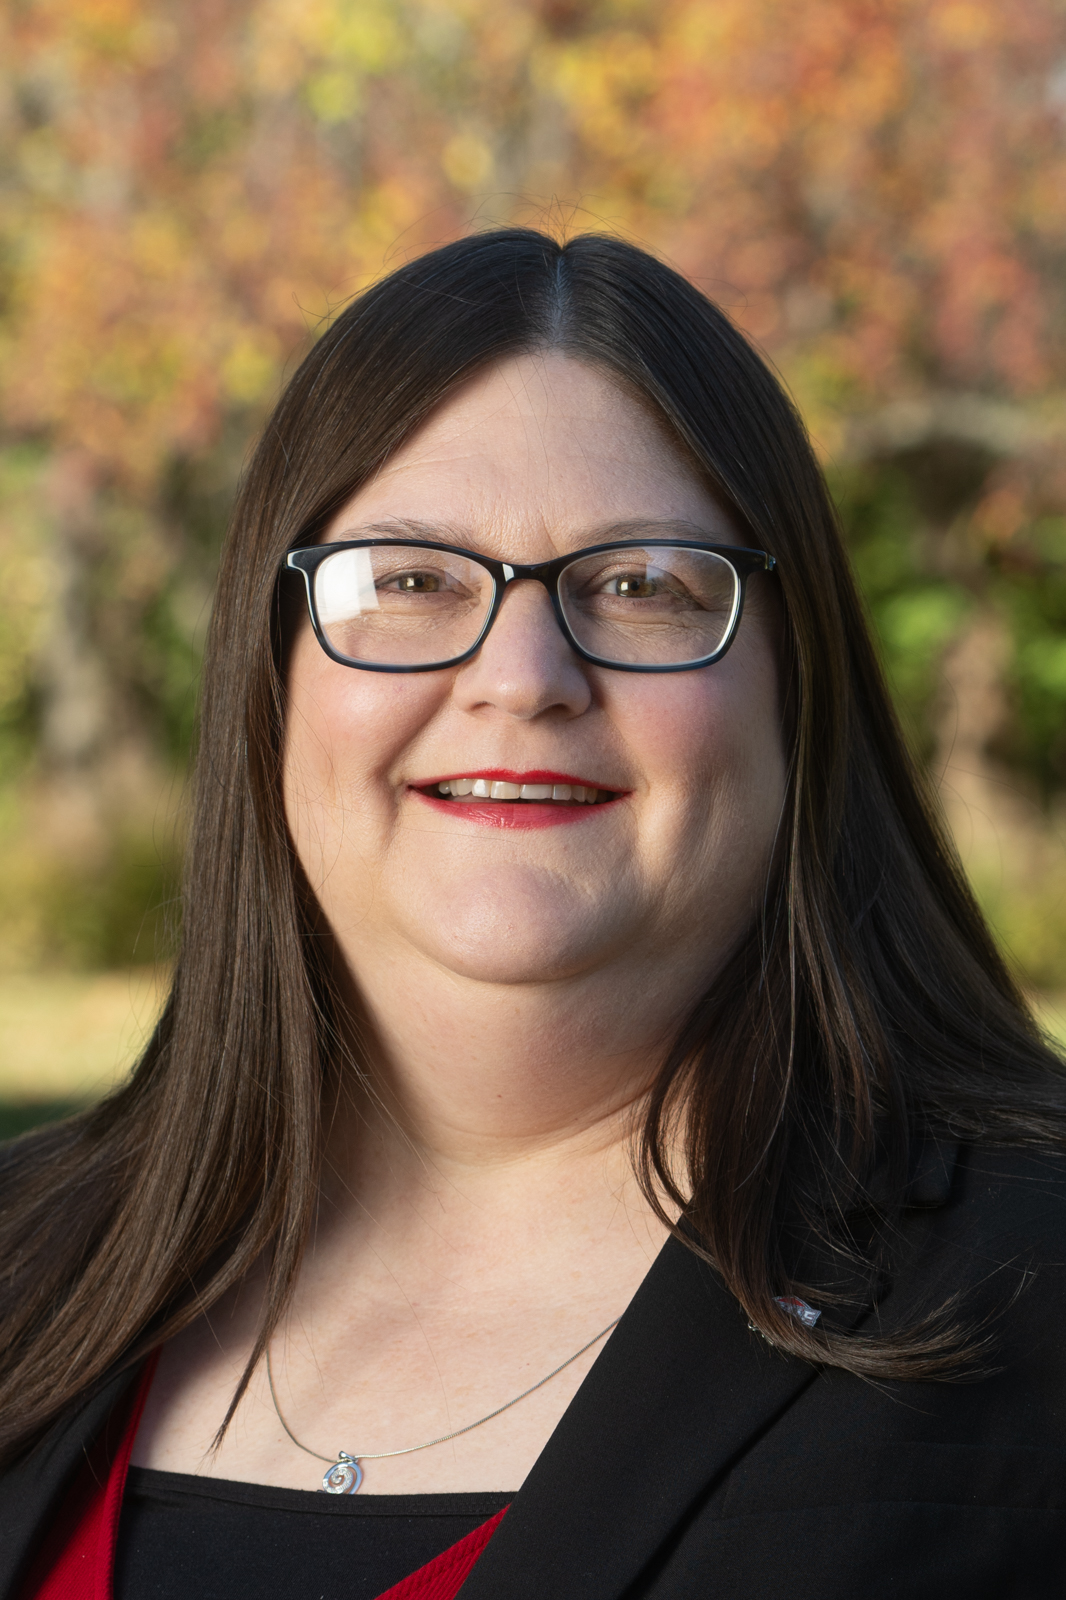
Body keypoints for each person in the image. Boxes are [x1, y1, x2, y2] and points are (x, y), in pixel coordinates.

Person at [2, 228, 1066, 1600]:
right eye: (409, 579)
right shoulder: (27, 1272)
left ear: (793, 688)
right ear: (268, 676)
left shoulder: (1033, 1297)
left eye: (637, 585)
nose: (521, 676)